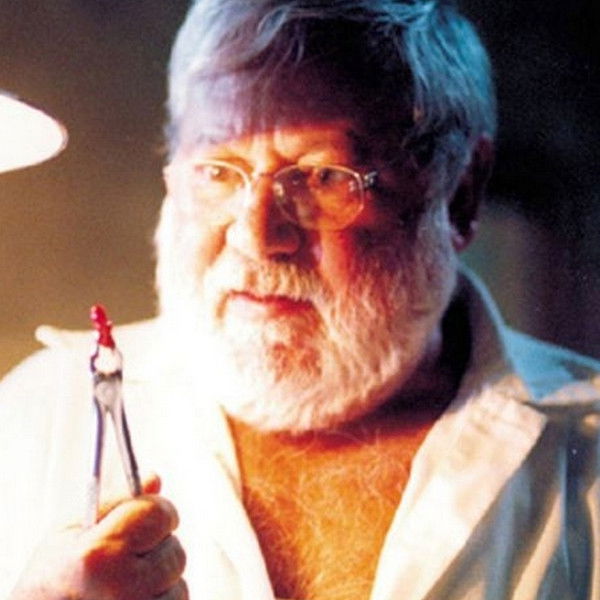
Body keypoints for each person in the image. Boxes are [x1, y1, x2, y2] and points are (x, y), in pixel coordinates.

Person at [1, 1, 599, 599]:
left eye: (323, 176)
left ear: (460, 194)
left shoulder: (587, 456)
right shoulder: (38, 418)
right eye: (217, 171)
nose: (257, 236)